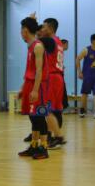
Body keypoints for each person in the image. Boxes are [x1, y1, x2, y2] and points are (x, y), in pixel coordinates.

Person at [18, 17, 50, 160]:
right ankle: (34, 145)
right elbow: (29, 70)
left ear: (25, 31)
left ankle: (44, 147)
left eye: (21, 30)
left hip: (39, 85)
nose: (20, 33)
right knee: (33, 117)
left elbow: (39, 70)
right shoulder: (30, 46)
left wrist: (35, 90)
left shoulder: (37, 46)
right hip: (30, 84)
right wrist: (23, 87)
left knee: (39, 116)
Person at [39, 18, 66, 148]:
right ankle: (51, 136)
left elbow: (34, 40)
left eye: (44, 27)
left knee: (46, 110)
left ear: (50, 29)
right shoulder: (58, 41)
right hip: (58, 78)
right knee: (53, 110)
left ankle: (58, 137)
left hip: (52, 78)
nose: (42, 29)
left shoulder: (50, 41)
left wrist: (32, 22)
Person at [61, 39, 70, 110]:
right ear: (63, 44)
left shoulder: (61, 52)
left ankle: (63, 105)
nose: (67, 46)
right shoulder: (59, 52)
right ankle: (63, 105)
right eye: (67, 45)